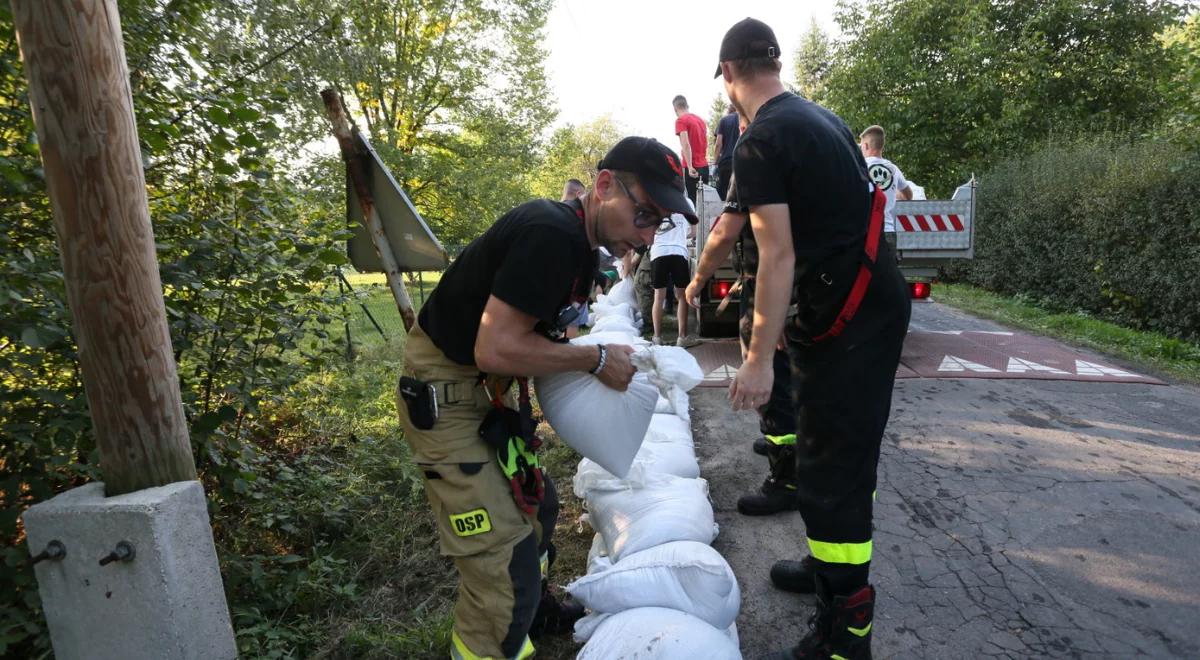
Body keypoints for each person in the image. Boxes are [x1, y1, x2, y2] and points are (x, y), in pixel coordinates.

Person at [396, 136, 697, 660]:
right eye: (644, 213)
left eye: (659, 224)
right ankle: (499, 635)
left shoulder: (580, 250)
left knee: (539, 507)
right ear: (604, 186)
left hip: (486, 394)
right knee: (503, 559)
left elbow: (531, 338)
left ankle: (534, 612)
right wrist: (595, 359)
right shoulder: (551, 234)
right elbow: (497, 346)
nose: (647, 236)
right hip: (447, 397)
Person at [716, 17, 911, 660]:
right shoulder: (820, 118)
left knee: (831, 465)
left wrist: (757, 359)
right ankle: (831, 572)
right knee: (844, 454)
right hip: (870, 298)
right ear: (773, 63)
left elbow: (777, 256)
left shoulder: (760, 140)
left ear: (727, 76)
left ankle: (845, 633)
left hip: (844, 315)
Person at [686, 166, 799, 515]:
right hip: (812, 281)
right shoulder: (817, 151)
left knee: (772, 379)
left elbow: (724, 232)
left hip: (769, 280)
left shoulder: (761, 154)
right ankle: (787, 446)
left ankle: (787, 480)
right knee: (796, 373)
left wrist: (699, 278)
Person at [858, 125, 912, 252]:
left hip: (865, 233)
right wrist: (893, 194)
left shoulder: (858, 167)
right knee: (887, 272)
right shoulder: (893, 169)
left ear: (865, 146)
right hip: (888, 232)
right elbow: (908, 195)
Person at [649, 208, 698, 347]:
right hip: (679, 251)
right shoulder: (686, 203)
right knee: (682, 297)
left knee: (658, 297)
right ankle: (682, 338)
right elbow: (694, 231)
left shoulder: (657, 200)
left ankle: (657, 337)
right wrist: (679, 234)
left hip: (658, 252)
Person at [672, 94, 710, 202]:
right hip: (704, 167)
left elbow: (686, 144)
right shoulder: (700, 120)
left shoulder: (680, 120)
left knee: (693, 204)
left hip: (692, 168)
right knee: (703, 204)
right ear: (687, 105)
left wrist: (689, 166)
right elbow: (703, 142)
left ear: (675, 109)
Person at [712, 105, 740, 200]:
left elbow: (718, 144)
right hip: (741, 160)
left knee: (723, 193)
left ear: (728, 110)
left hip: (726, 162)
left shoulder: (724, 120)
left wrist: (715, 163)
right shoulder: (745, 119)